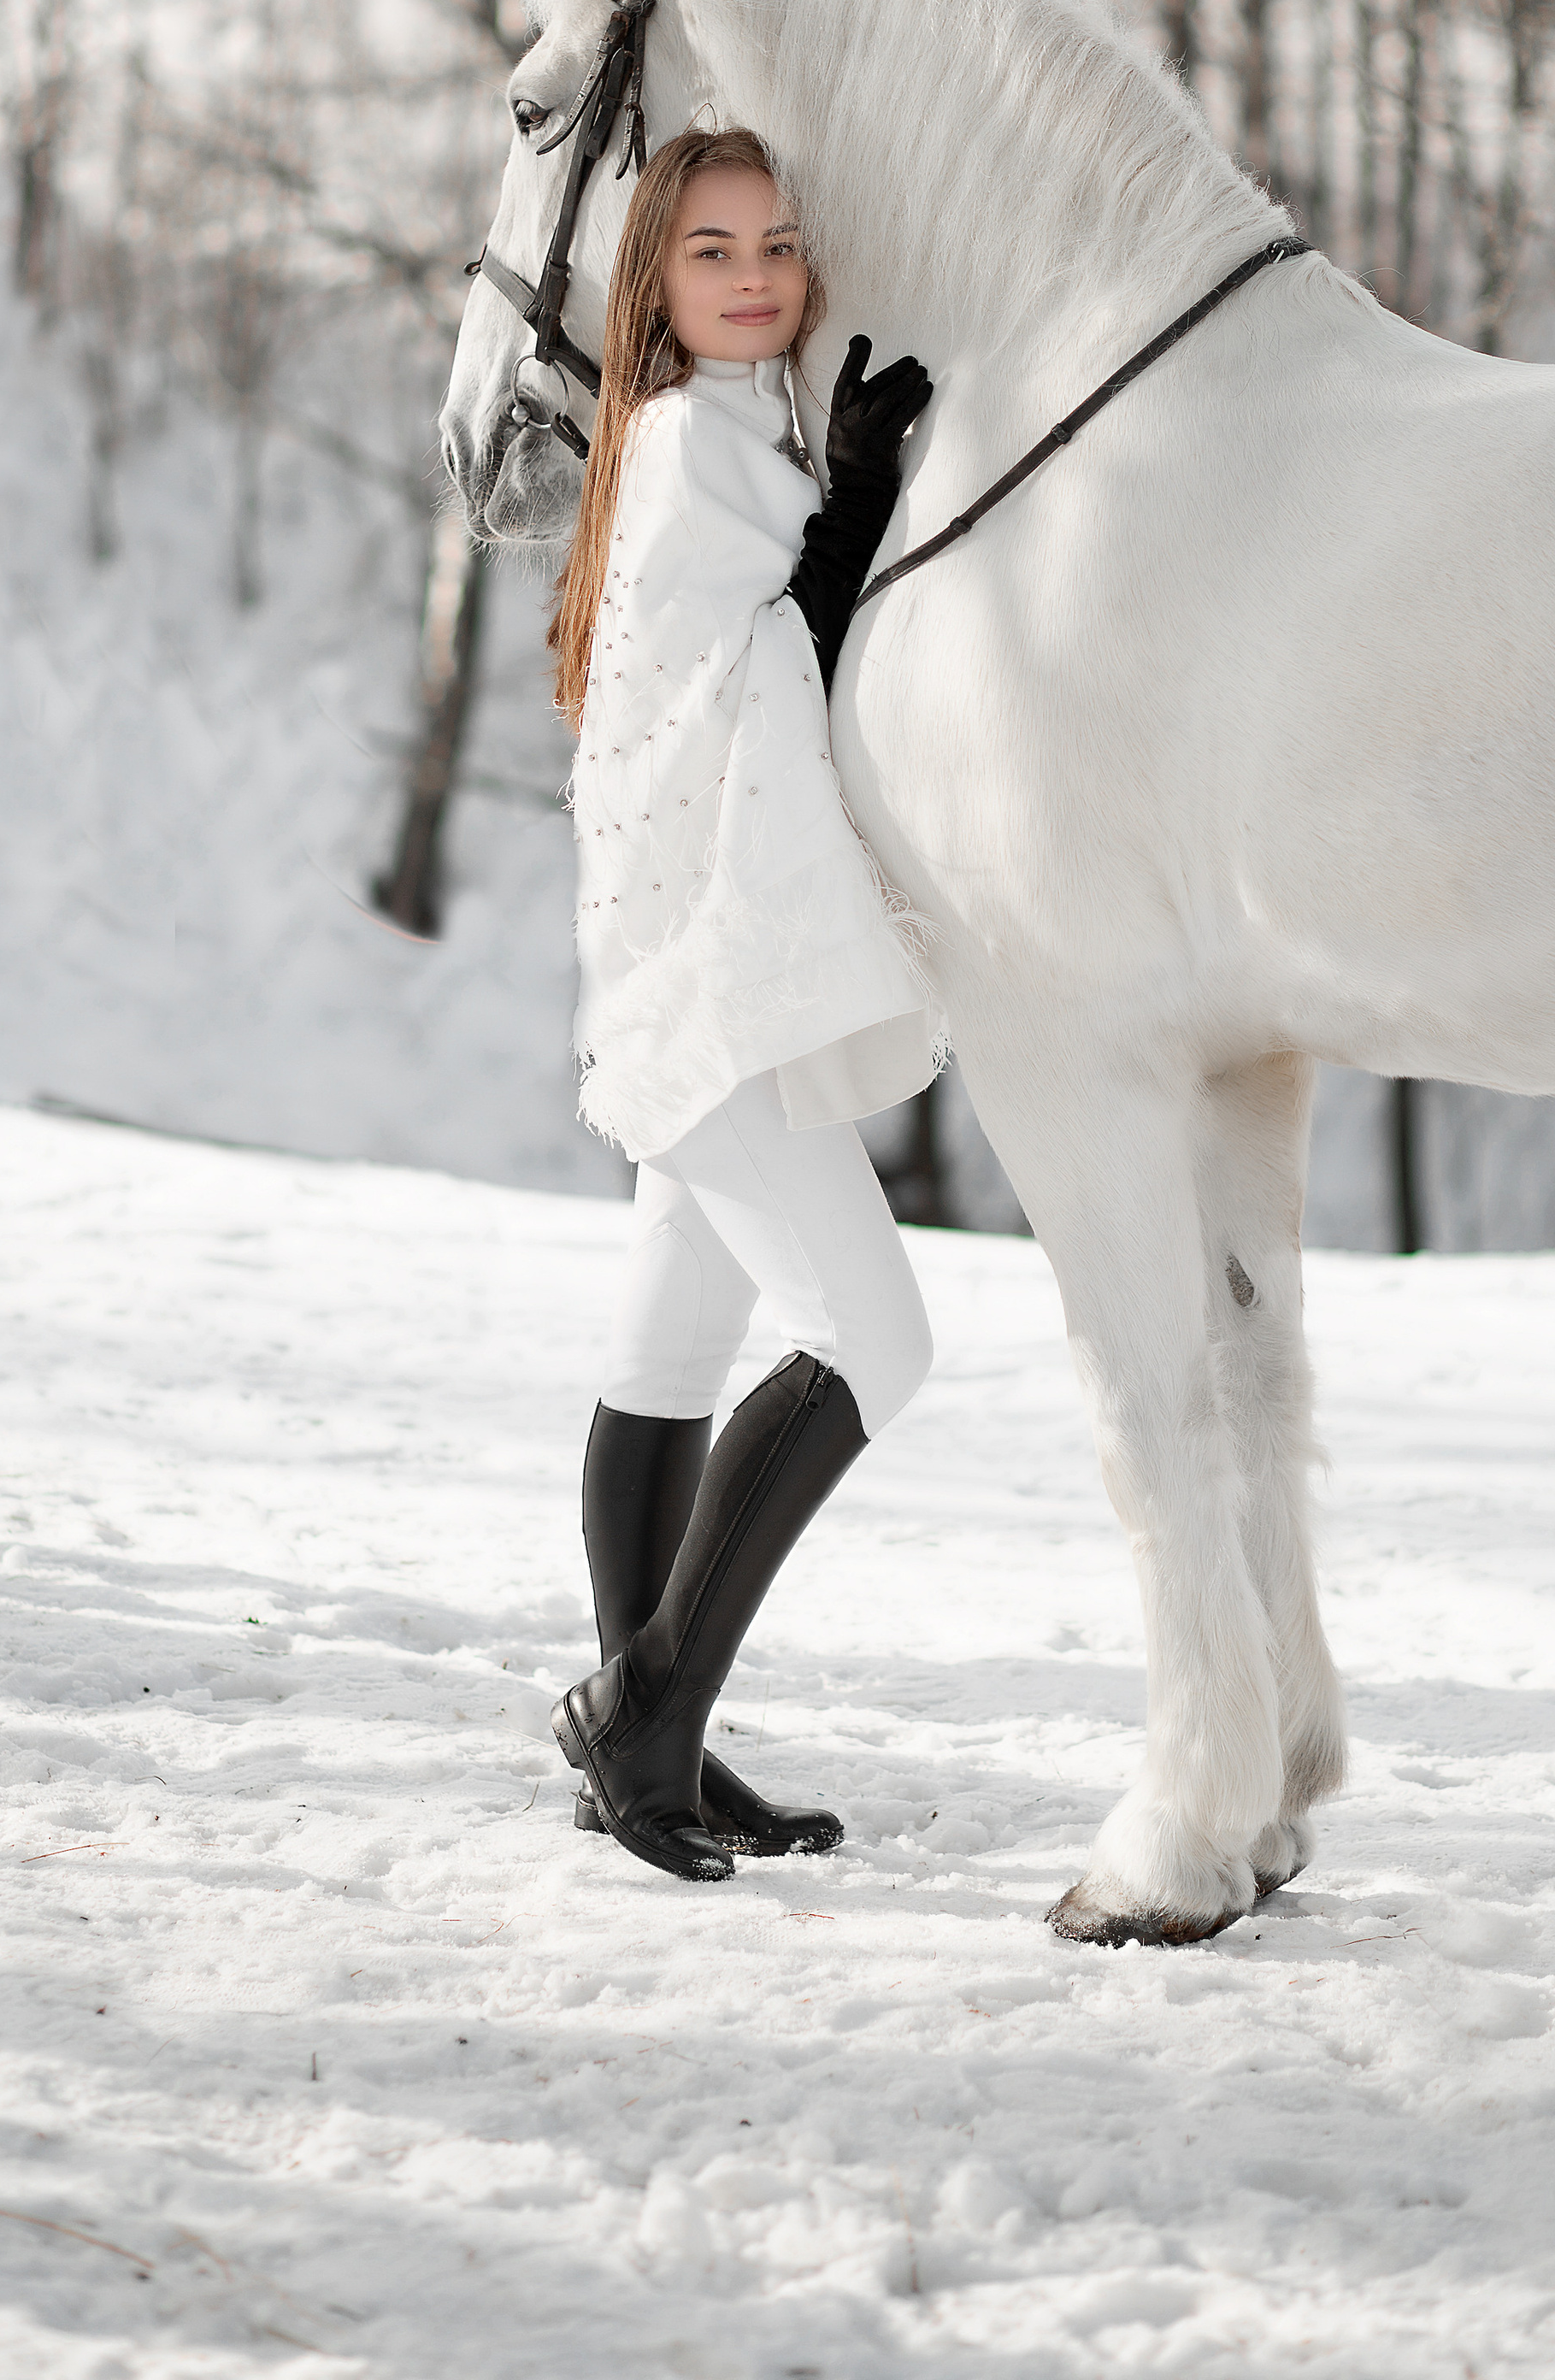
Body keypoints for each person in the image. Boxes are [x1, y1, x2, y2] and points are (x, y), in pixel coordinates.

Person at [546, 124, 939, 1885]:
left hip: (681, 974)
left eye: (778, 242)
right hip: (711, 983)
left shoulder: (715, 427)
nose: (755, 275)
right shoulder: (699, 442)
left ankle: (654, 1748)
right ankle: (639, 1715)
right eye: (711, 250)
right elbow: (786, 652)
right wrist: (856, 495)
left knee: (664, 1361)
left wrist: (833, 476)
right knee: (876, 1340)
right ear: (653, 276)